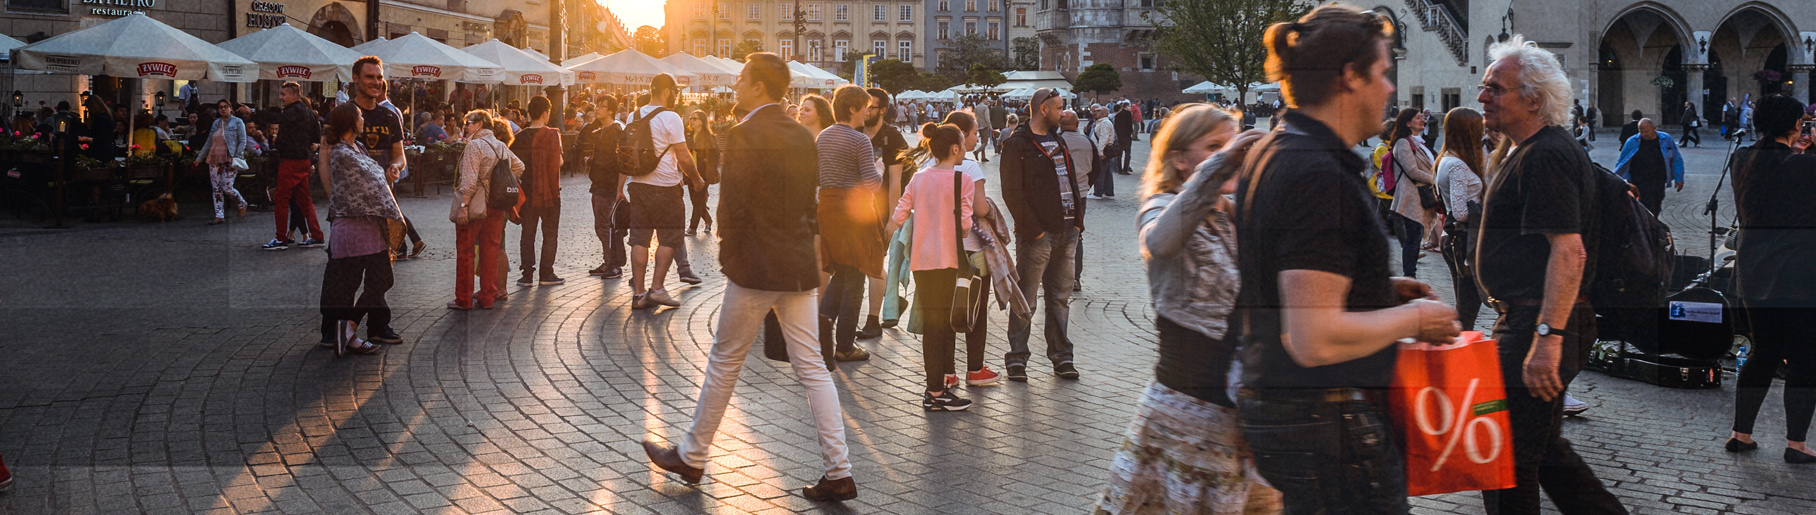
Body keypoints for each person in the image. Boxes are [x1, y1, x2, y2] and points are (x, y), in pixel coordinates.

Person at [1235, 7, 1459, 512]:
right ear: (1349, 77)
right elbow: (1313, 337)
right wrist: (1416, 318)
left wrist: (1378, 290)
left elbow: (1282, 279)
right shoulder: (1317, 173)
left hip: (1291, 414)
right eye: (1381, 73)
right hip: (1325, 423)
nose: (1388, 89)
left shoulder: (1277, 150)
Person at [640, 53, 858, 502]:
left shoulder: (742, 133)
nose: (736, 84)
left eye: (741, 78)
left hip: (756, 265)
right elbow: (807, 201)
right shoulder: (801, 134)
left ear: (759, 87)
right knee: (812, 367)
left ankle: (693, 455)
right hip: (795, 262)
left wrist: (729, 256)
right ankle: (839, 470)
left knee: (725, 359)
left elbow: (732, 205)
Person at [1097, 104, 1280, 515]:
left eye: (1232, 143)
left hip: (1243, 417)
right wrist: (1218, 168)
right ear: (1180, 160)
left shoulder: (1235, 213)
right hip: (1187, 413)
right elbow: (1159, 242)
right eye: (1213, 145)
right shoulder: (1162, 204)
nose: (1228, 152)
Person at [1474, 35, 1629, 514]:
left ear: (1533, 100)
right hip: (1530, 321)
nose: (1482, 96)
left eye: (1495, 88)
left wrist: (1547, 336)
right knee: (1545, 454)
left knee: (1506, 459)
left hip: (1536, 322)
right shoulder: (1528, 149)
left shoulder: (1547, 154)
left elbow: (1569, 252)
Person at [1728, 93, 1816, 465]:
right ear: (1794, 124)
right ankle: (1796, 443)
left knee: (1763, 351)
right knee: (1805, 359)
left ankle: (1741, 434)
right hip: (1796, 274)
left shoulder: (1742, 159)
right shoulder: (1801, 166)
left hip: (1752, 270)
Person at [886, 122, 978, 411]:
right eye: (962, 143)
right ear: (954, 148)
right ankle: (936, 392)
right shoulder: (961, 180)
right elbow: (965, 226)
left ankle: (937, 387)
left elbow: (900, 212)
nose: (965, 148)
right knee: (943, 325)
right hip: (948, 259)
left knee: (933, 325)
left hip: (921, 261)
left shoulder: (920, 177)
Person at [1000, 88, 1086, 382]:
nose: (1063, 113)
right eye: (1059, 108)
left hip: (1067, 231)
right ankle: (1017, 358)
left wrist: (1078, 222)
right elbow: (1011, 192)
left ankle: (1062, 357)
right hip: (1038, 235)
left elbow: (1070, 180)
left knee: (1059, 298)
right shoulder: (1018, 144)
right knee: (1026, 299)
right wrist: (1033, 231)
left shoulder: (1058, 140)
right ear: (1043, 109)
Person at [318, 101, 405, 355]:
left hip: (369, 228)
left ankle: (348, 330)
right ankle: (345, 332)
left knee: (382, 279)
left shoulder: (358, 147)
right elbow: (371, 185)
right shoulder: (341, 152)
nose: (363, 120)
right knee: (348, 286)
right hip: (353, 228)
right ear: (351, 122)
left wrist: (388, 171)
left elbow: (376, 179)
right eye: (360, 117)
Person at [816, 85, 885, 363]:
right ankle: (844, 345)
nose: (868, 112)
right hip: (853, 211)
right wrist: (879, 171)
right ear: (852, 109)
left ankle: (820, 334)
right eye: (865, 107)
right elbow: (871, 182)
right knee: (856, 273)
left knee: (842, 272)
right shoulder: (860, 141)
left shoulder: (823, 136)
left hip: (828, 207)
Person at [627, 74, 706, 309]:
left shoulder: (635, 114)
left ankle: (639, 295)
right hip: (665, 186)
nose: (677, 95)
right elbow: (683, 156)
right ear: (666, 91)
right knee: (670, 237)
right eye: (675, 91)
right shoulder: (670, 117)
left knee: (639, 239)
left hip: (638, 184)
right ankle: (658, 289)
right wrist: (697, 179)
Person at [448, 110, 524, 309]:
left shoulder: (475, 145)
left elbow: (469, 180)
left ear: (480, 124)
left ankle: (463, 300)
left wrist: (464, 206)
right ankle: (488, 297)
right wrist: (495, 182)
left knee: (466, 252)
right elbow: (519, 166)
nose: (466, 126)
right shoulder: (500, 146)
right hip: (496, 206)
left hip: (475, 205)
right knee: (490, 251)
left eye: (469, 123)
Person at [1435, 107, 1488, 331]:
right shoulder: (1456, 165)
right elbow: (1460, 211)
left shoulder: (1448, 158)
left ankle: (1458, 348)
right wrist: (1486, 210)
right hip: (1464, 240)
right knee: (1468, 306)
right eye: (1479, 128)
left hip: (1456, 238)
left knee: (1465, 304)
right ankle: (1459, 353)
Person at [259, 82, 326, 251]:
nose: (280, 98)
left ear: (294, 95)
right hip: (303, 159)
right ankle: (317, 235)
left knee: (281, 198)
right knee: (304, 199)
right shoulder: (309, 113)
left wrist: (253, 113)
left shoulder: (292, 111)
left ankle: (281, 238)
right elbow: (316, 135)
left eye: (283, 94)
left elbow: (277, 119)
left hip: (291, 159)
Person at [866, 88, 911, 334]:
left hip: (883, 208)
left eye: (871, 107)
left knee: (873, 262)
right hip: (859, 209)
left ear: (883, 110)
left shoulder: (891, 137)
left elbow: (896, 182)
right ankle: (891, 304)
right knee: (867, 262)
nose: (866, 111)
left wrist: (893, 220)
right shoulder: (856, 130)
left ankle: (877, 317)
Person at [509, 95, 566, 286]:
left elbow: (513, 166)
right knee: (550, 233)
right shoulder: (552, 134)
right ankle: (546, 273)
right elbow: (558, 162)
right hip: (550, 193)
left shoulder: (518, 138)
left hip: (527, 192)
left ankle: (527, 275)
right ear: (545, 113)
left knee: (528, 233)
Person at [1388, 108, 1437, 275]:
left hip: (1419, 195)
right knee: (1413, 238)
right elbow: (1412, 171)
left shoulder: (1419, 141)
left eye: (1422, 117)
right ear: (1408, 123)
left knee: (1415, 237)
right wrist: (1436, 180)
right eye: (1417, 118)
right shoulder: (1403, 143)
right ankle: (1409, 276)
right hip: (1411, 196)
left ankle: (1410, 275)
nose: (1422, 119)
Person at [587, 96, 629, 278]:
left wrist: (591, 161)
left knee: (605, 225)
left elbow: (615, 161)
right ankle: (608, 261)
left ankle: (614, 264)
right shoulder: (603, 130)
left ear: (611, 110)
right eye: (597, 105)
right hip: (599, 184)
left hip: (608, 184)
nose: (597, 109)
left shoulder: (615, 131)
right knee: (601, 225)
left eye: (602, 106)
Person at [1612, 118, 1686, 215]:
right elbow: (1621, 162)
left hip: (1658, 181)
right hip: (1638, 181)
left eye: (1646, 131)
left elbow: (1676, 159)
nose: (1644, 134)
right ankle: (1648, 227)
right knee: (1643, 208)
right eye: (1641, 131)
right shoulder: (1632, 141)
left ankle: (1651, 226)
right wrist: (1619, 182)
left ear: (1654, 128)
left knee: (1655, 206)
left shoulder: (1666, 139)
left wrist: (1679, 178)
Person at [195, 99, 250, 225]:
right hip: (214, 158)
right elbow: (209, 141)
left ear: (230, 108)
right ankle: (219, 215)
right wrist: (199, 158)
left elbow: (242, 140)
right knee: (216, 188)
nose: (223, 109)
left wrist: (236, 155)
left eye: (225, 107)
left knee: (227, 187)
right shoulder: (216, 123)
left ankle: (241, 203)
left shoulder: (238, 122)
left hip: (229, 157)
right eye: (220, 107)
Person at [1058, 110, 1096, 291]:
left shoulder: (1056, 142)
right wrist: (1086, 185)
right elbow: (1097, 167)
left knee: (1054, 234)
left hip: (1058, 194)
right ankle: (1075, 277)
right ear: (1077, 124)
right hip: (1080, 194)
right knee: (1076, 235)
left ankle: (1054, 275)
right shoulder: (1087, 142)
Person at [685, 111, 718, 236]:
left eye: (694, 119)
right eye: (690, 118)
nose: (691, 121)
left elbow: (715, 157)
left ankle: (692, 228)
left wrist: (709, 174)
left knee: (698, 201)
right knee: (696, 201)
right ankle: (708, 220)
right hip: (690, 173)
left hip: (703, 174)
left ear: (701, 121)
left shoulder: (709, 138)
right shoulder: (688, 136)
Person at [1113, 101, 1135, 175]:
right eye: (1129, 106)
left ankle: (1119, 169)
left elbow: (1115, 126)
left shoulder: (1117, 115)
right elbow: (1129, 124)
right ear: (1126, 107)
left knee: (1119, 153)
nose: (1130, 108)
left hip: (1120, 136)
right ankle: (1125, 169)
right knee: (1127, 152)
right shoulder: (1128, 114)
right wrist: (1131, 132)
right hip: (1126, 135)